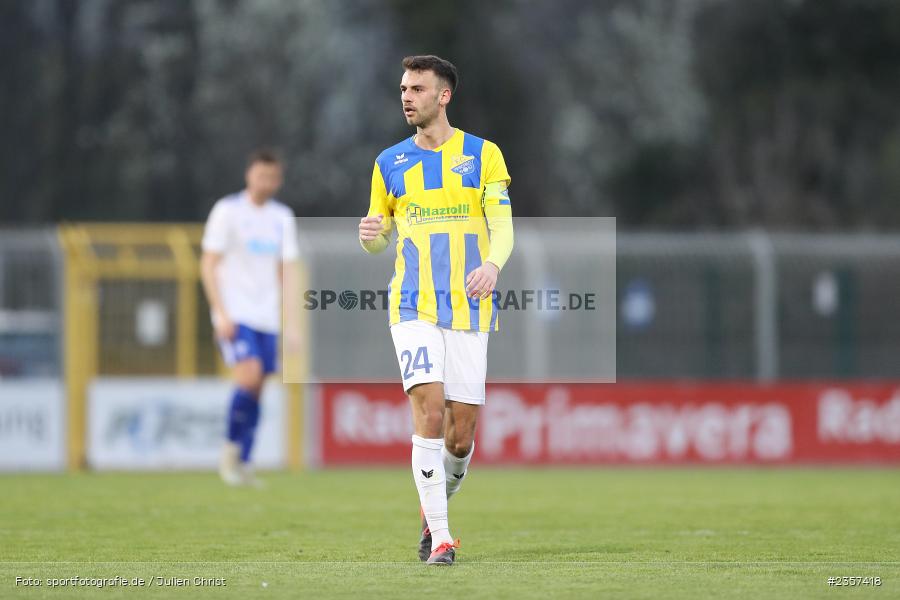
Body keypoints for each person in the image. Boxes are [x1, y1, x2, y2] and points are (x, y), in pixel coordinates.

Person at [359, 55, 514, 565]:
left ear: (443, 95)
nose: (406, 96)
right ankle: (443, 540)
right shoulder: (389, 163)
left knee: (461, 433)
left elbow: (503, 225)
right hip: (412, 305)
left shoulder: (482, 154)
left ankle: (432, 513)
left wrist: (492, 264)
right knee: (429, 407)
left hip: (470, 308)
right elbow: (379, 239)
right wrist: (372, 239)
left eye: (418, 89)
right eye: (403, 88)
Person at [200, 149, 299, 486]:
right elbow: (209, 264)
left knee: (257, 388)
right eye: (261, 176)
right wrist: (221, 313)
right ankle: (229, 452)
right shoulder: (227, 211)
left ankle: (244, 459)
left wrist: (292, 323)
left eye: (272, 177)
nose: (266, 182)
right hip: (236, 313)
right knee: (249, 376)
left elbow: (286, 271)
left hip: (268, 317)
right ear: (249, 175)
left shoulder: (282, 217)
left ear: (278, 181)